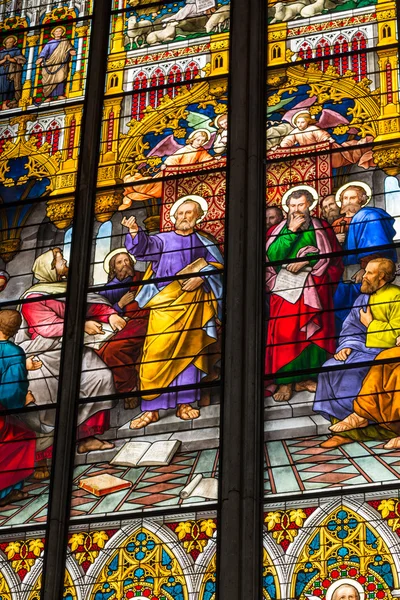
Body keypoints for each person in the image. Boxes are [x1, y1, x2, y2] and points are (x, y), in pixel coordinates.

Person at [122, 195, 223, 428]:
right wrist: (135, 231)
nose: (184, 217)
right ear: (174, 216)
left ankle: (185, 403)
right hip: (165, 304)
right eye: (181, 213)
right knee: (155, 355)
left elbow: (218, 266)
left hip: (194, 304)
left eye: (190, 212)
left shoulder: (204, 241)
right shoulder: (162, 240)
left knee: (189, 354)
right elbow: (143, 248)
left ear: (198, 216)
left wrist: (202, 275)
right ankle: (151, 408)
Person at [15, 248, 126, 460]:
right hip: (45, 353)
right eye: (60, 261)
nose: (65, 262)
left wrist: (110, 315)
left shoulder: (67, 288)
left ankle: (87, 438)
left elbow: (92, 307)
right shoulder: (34, 296)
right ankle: (49, 453)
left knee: (101, 377)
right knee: (49, 392)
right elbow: (47, 327)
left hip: (73, 347)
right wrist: (82, 325)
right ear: (50, 268)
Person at [265, 186, 343, 402]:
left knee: (313, 334)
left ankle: (306, 378)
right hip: (285, 291)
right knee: (285, 334)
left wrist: (307, 261)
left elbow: (334, 257)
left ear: (310, 206)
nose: (296, 209)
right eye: (292, 205)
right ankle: (285, 381)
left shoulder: (321, 227)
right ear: (287, 208)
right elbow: (272, 256)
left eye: (301, 205)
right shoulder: (278, 230)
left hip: (315, 286)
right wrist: (290, 231)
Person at [314, 258, 400, 448]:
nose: (364, 277)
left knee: (356, 372)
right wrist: (347, 346)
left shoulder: (396, 297)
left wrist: (371, 324)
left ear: (382, 277)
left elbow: (396, 336)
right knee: (330, 368)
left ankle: (365, 430)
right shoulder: (363, 298)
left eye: (369, 273)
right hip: (360, 348)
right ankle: (342, 429)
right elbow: (351, 327)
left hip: (385, 351)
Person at [331, 183, 397, 331]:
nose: (348, 201)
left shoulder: (368, 215)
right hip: (341, 274)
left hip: (363, 271)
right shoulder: (335, 224)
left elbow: (376, 243)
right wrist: (334, 240)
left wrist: (365, 267)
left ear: (362, 200)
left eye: (352, 198)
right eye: (345, 198)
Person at [0, 309, 42, 506]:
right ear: (16, 330)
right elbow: (10, 391)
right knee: (24, 437)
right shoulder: (14, 352)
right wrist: (23, 400)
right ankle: (6, 492)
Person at [97, 249, 149, 404]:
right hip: (123, 323)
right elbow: (100, 308)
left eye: (127, 260)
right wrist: (120, 304)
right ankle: (124, 387)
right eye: (119, 262)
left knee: (113, 350)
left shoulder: (143, 277)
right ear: (113, 268)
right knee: (102, 350)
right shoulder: (108, 289)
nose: (124, 264)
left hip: (144, 319)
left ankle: (129, 388)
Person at [120, 130, 213, 210]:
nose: (200, 142)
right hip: (170, 174)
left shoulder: (201, 150)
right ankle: (128, 195)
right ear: (192, 139)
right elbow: (172, 159)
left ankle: (130, 196)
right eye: (198, 140)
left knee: (152, 193)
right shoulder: (185, 149)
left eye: (203, 141)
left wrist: (215, 160)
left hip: (181, 177)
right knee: (148, 187)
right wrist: (167, 165)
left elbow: (207, 159)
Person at [279, 110, 374, 169]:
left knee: (347, 153)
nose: (300, 124)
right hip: (309, 156)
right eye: (298, 122)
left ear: (308, 122)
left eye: (302, 122)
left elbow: (323, 137)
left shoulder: (313, 129)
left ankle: (363, 145)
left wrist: (327, 140)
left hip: (327, 153)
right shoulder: (295, 131)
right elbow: (287, 140)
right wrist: (283, 147)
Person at [36, 26, 76, 101]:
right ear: (53, 33)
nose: (58, 33)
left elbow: (69, 48)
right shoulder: (49, 43)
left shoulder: (65, 41)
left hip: (61, 63)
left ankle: (60, 95)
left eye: (60, 31)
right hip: (50, 64)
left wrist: (71, 51)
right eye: (56, 31)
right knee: (48, 80)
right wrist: (41, 58)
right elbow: (44, 52)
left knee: (61, 77)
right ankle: (48, 96)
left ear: (62, 33)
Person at [0, 36, 26, 109]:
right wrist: (4, 60)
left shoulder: (16, 50)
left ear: (14, 43)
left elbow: (21, 60)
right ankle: (3, 104)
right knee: (2, 87)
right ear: (4, 43)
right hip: (2, 71)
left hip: (12, 71)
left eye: (10, 42)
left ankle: (6, 103)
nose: (8, 44)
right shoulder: (1, 52)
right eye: (7, 42)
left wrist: (10, 59)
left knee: (10, 87)